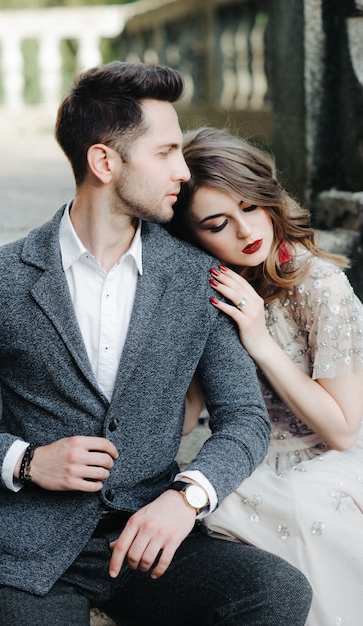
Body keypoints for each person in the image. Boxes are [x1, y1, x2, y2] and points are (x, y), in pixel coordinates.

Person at [0, 63, 312, 626]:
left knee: (276, 593)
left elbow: (243, 419)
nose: (183, 171)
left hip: (154, 536)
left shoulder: (198, 278)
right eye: (165, 152)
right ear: (104, 162)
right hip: (31, 553)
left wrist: (186, 498)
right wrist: (24, 461)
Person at [170, 126, 363, 626]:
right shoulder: (213, 288)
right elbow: (187, 420)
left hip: (332, 459)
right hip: (249, 459)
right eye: (218, 223)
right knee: (205, 504)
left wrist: (259, 338)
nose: (245, 230)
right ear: (191, 235)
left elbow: (342, 430)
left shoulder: (321, 286)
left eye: (251, 206)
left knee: (301, 504)